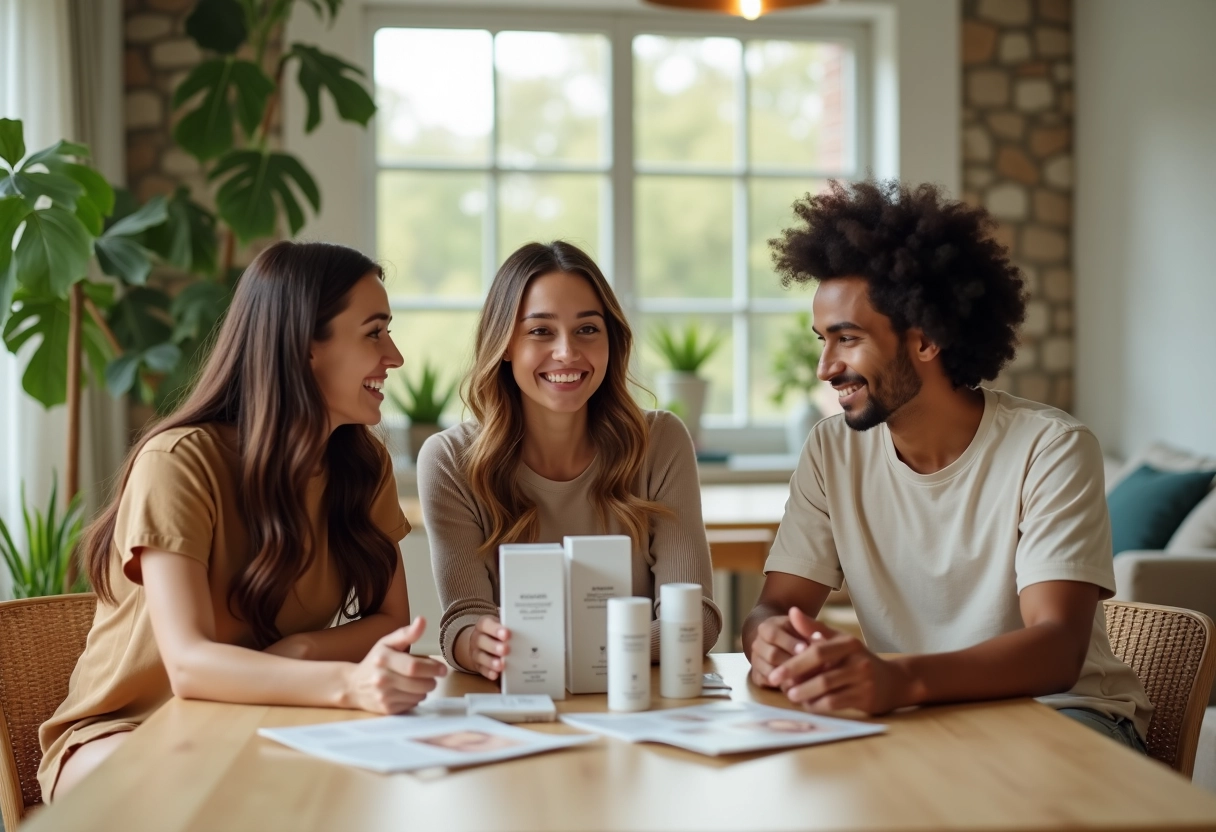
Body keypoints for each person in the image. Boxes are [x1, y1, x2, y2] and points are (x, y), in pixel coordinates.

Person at [743, 180, 1151, 750]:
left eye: (847, 339)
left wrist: (896, 678)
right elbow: (774, 605)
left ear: (927, 340)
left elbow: (1057, 648)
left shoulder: (1051, 447)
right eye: (822, 340)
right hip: (916, 714)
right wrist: (768, 640)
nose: (825, 367)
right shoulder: (830, 451)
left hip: (1064, 716)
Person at [39, 241, 447, 800]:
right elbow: (189, 665)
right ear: (306, 346)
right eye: (374, 332)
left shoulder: (361, 464)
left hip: (266, 716)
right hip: (130, 734)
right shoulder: (181, 463)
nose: (394, 356)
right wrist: (346, 678)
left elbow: (389, 624)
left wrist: (297, 653)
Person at [418, 240, 722, 680]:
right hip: (522, 701)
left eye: (587, 329)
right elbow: (463, 620)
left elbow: (695, 620)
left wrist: (574, 653)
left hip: (640, 701)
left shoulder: (661, 441)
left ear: (610, 341)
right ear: (504, 344)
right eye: (541, 331)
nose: (567, 352)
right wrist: (475, 643)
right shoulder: (450, 460)